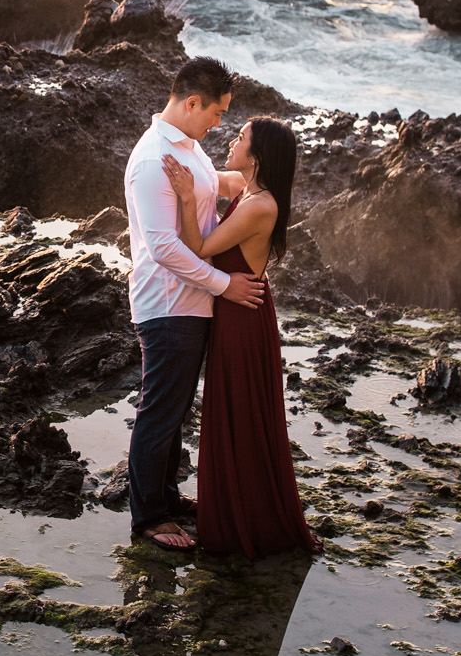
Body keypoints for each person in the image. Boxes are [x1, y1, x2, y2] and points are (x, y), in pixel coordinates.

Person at [121, 57, 268, 553]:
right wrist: (225, 284)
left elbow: (220, 186)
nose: (219, 123)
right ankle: (148, 518)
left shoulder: (191, 150)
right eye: (216, 112)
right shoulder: (152, 160)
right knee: (159, 411)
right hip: (167, 305)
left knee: (176, 409)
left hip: (192, 302)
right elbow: (163, 247)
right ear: (191, 103)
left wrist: (263, 185)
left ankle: (165, 496)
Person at [165, 116, 322, 558]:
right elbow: (208, 175)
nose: (231, 140)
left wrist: (183, 199)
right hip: (234, 307)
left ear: (255, 156)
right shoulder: (244, 187)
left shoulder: (261, 205)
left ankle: (247, 518)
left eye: (239, 138)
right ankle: (234, 506)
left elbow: (199, 247)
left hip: (242, 316)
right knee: (232, 410)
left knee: (240, 411)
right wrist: (172, 142)